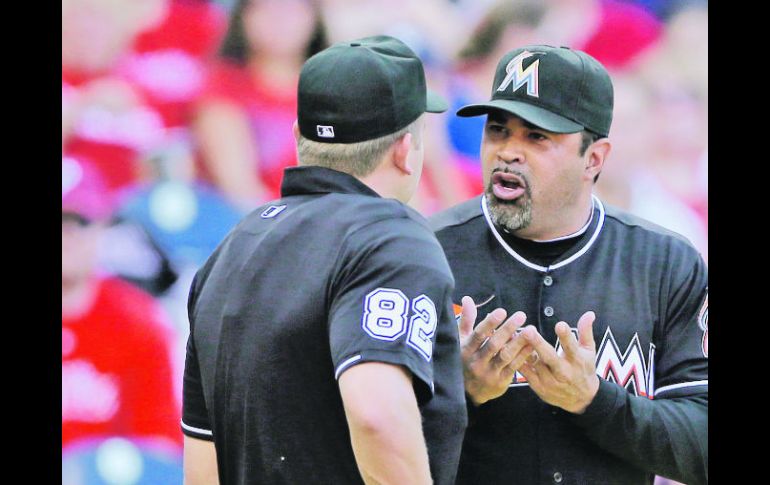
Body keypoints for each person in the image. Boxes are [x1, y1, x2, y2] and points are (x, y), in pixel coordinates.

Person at [181, 35, 468, 485]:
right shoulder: (390, 237)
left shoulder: (236, 243)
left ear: (300, 137)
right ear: (404, 150)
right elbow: (376, 414)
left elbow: (203, 466)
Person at [430, 45, 707, 485]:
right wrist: (459, 394)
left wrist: (595, 402)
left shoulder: (665, 263)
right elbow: (365, 436)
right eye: (498, 130)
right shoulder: (428, 252)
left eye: (536, 137)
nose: (508, 152)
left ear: (593, 159)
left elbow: (700, 447)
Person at [62, 156, 182, 451]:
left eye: (80, 221)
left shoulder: (138, 320)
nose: (67, 236)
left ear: (103, 225)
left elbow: (158, 445)